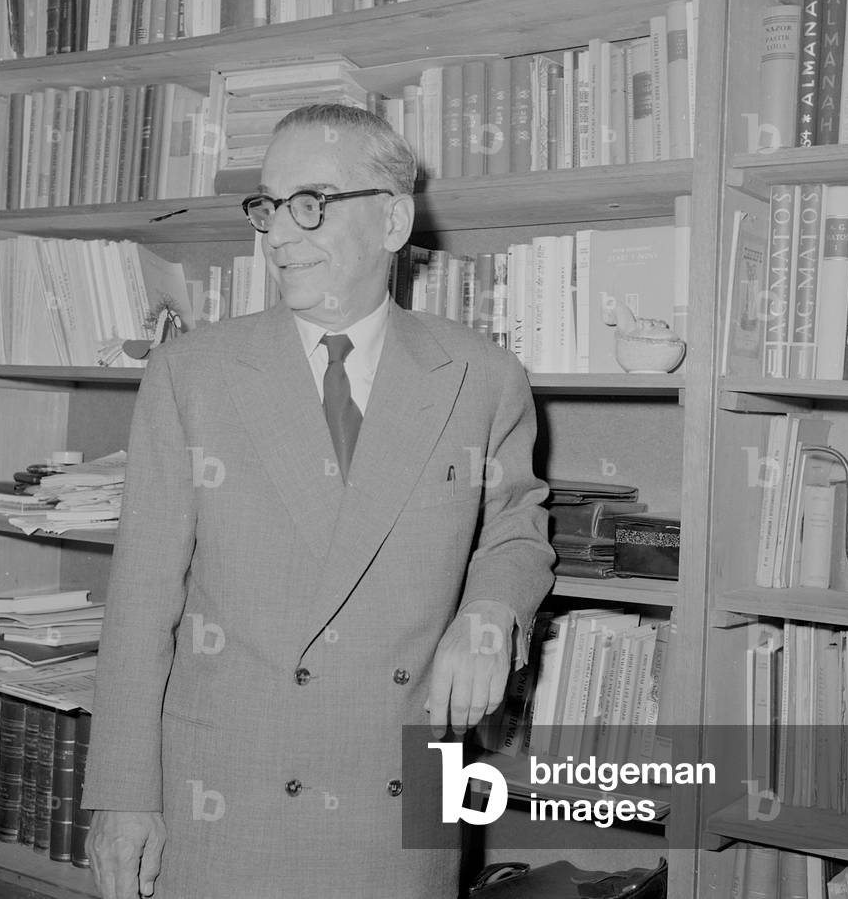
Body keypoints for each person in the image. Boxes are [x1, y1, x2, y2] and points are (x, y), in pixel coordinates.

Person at [80, 104, 555, 899]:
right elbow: (139, 601)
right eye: (267, 206)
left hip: (395, 798)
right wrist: (123, 795)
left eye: (312, 202)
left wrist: (490, 613)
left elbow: (517, 525)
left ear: (394, 219)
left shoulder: (481, 374)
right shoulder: (191, 373)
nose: (277, 234)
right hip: (224, 799)